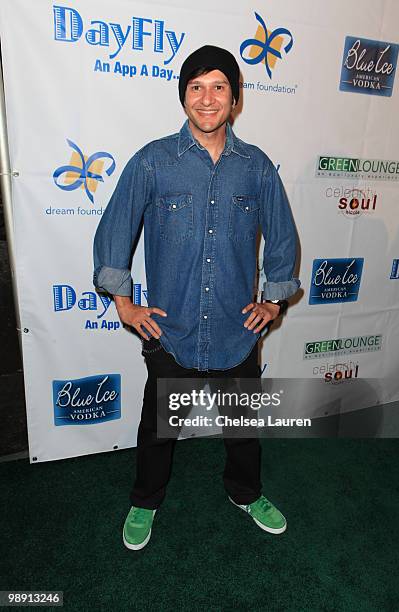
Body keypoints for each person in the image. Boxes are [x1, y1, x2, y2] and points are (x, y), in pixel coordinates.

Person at [93, 45, 300, 550]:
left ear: (235, 97)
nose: (207, 99)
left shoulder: (256, 167)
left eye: (219, 87)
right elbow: (114, 232)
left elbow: (283, 238)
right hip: (174, 331)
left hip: (236, 329)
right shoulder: (153, 161)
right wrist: (124, 302)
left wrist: (273, 300)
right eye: (196, 87)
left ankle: (246, 493)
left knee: (242, 429)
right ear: (184, 95)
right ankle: (145, 501)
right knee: (158, 431)